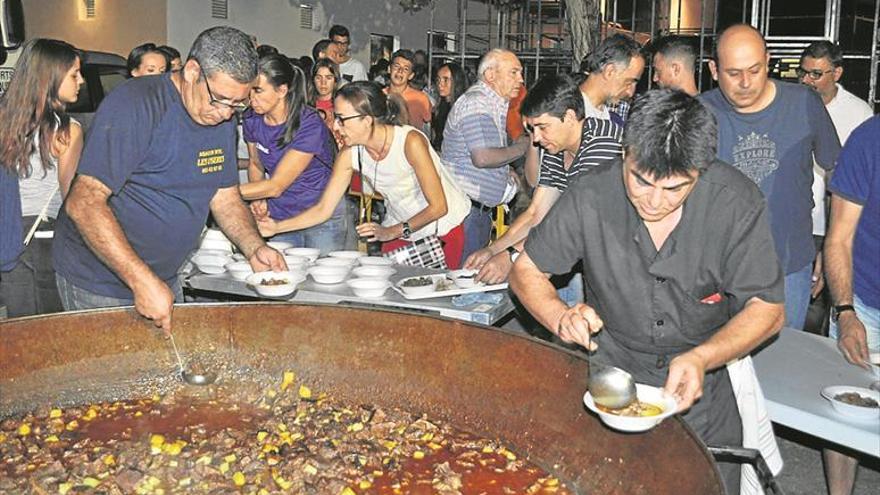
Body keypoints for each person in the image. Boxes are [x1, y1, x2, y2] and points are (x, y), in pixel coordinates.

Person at [510, 89, 785, 495]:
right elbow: (527, 271)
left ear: (701, 170)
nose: (655, 201)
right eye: (641, 181)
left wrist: (702, 357)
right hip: (612, 379)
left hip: (700, 384)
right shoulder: (591, 194)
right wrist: (560, 316)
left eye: (675, 189)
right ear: (625, 152)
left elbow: (767, 307)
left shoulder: (735, 203)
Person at [52, 26, 286, 333]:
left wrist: (254, 247)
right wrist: (141, 280)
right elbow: (84, 201)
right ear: (191, 71)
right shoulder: (136, 105)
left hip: (163, 277)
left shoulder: (220, 118)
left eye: (237, 104)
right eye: (220, 99)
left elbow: (224, 195)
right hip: (99, 283)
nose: (226, 114)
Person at [701, 24, 840, 330]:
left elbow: (836, 176)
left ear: (768, 60)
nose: (746, 83)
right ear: (713, 69)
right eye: (733, 73)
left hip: (789, 268)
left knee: (783, 362)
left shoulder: (803, 103)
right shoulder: (700, 112)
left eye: (755, 69)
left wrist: (833, 247)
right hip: (717, 271)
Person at [257, 82, 469, 268]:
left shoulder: (410, 142)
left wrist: (392, 232)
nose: (336, 126)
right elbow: (323, 209)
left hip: (441, 230)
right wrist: (277, 226)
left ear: (367, 120)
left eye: (342, 119)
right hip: (400, 228)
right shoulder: (350, 153)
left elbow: (439, 207)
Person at [466, 74, 623, 283]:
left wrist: (511, 256)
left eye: (542, 127)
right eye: (532, 129)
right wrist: (493, 250)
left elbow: (574, 223)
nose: (537, 138)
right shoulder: (556, 147)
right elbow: (536, 213)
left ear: (568, 117)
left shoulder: (601, 143)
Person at [0, 39, 84, 317]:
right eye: (73, 74)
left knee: (19, 325)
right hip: (45, 236)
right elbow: (70, 197)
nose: (81, 81)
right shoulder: (67, 131)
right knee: (50, 328)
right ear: (51, 77)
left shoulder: (5, 123)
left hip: (8, 235)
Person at [823, 115, 880, 495]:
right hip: (864, 302)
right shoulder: (869, 140)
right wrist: (845, 312)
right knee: (846, 414)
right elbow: (839, 238)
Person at [241, 55, 345, 254]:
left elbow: (276, 186)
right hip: (280, 213)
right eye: (250, 90)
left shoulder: (308, 123)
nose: (251, 97)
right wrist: (257, 199)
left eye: (258, 90)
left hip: (319, 212)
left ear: (282, 90)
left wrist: (220, 192)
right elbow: (255, 164)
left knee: (320, 281)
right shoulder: (252, 118)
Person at [797, 41, 873, 301]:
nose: (807, 80)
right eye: (803, 72)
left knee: (826, 305)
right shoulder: (793, 105)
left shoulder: (860, 113)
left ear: (837, 73)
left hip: (836, 225)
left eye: (816, 74)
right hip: (798, 223)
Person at [441, 49, 529, 261]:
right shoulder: (477, 103)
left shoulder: (490, 104)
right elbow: (483, 158)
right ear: (490, 75)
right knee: (462, 281)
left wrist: (505, 169)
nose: (521, 79)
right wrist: (523, 146)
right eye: (514, 72)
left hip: (474, 212)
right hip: (466, 213)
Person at [579, 34, 645, 122]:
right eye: (628, 83)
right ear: (609, 71)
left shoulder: (614, 120)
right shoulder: (567, 115)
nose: (630, 93)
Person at [385, 49, 432, 133]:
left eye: (405, 69)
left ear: (411, 76)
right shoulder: (378, 96)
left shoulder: (421, 99)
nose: (400, 71)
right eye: (396, 66)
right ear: (389, 69)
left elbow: (428, 125)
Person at [430, 62, 467, 150]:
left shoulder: (463, 108)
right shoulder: (440, 106)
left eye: (445, 80)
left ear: (457, 81)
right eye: (438, 80)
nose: (440, 84)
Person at [308, 57, 341, 131]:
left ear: (335, 80)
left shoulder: (342, 106)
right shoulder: (306, 106)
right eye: (318, 78)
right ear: (313, 80)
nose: (323, 83)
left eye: (328, 78)